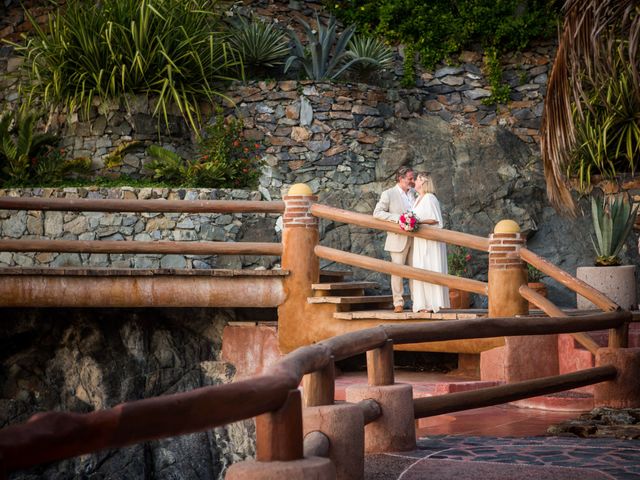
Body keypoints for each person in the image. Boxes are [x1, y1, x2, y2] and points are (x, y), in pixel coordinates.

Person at [373, 166, 416, 313]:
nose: (413, 181)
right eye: (410, 178)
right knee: (397, 271)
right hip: (397, 238)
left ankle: (417, 302)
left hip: (416, 238)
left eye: (413, 178)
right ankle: (398, 302)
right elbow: (377, 213)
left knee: (416, 272)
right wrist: (399, 219)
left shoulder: (415, 193)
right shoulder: (388, 194)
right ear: (401, 178)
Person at [411, 172, 450, 313]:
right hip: (420, 240)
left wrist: (416, 221)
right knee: (420, 268)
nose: (415, 181)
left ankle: (434, 304)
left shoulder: (430, 198)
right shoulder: (417, 199)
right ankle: (423, 304)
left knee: (429, 267)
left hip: (430, 241)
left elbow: (435, 220)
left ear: (424, 182)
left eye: (417, 179)